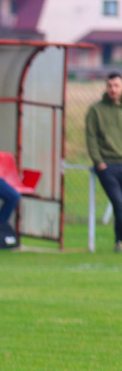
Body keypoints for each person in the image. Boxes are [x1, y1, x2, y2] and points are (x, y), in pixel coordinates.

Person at [86, 71, 122, 252]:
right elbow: (91, 138)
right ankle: (119, 241)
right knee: (118, 202)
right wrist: (99, 162)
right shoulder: (96, 110)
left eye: (116, 86)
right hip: (107, 165)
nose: (113, 89)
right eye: (110, 86)